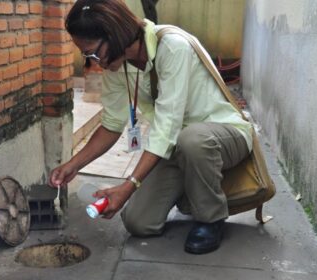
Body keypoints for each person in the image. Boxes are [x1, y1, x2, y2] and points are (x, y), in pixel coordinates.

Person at [49, 0, 253, 254]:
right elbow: (112, 125)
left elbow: (166, 127)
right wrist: (73, 164)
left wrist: (129, 184)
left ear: (112, 35)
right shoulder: (117, 65)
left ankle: (211, 218)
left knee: (193, 141)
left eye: (92, 53)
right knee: (138, 222)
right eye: (86, 56)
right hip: (179, 144)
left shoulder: (173, 46)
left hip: (224, 133)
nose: (93, 62)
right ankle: (191, 189)